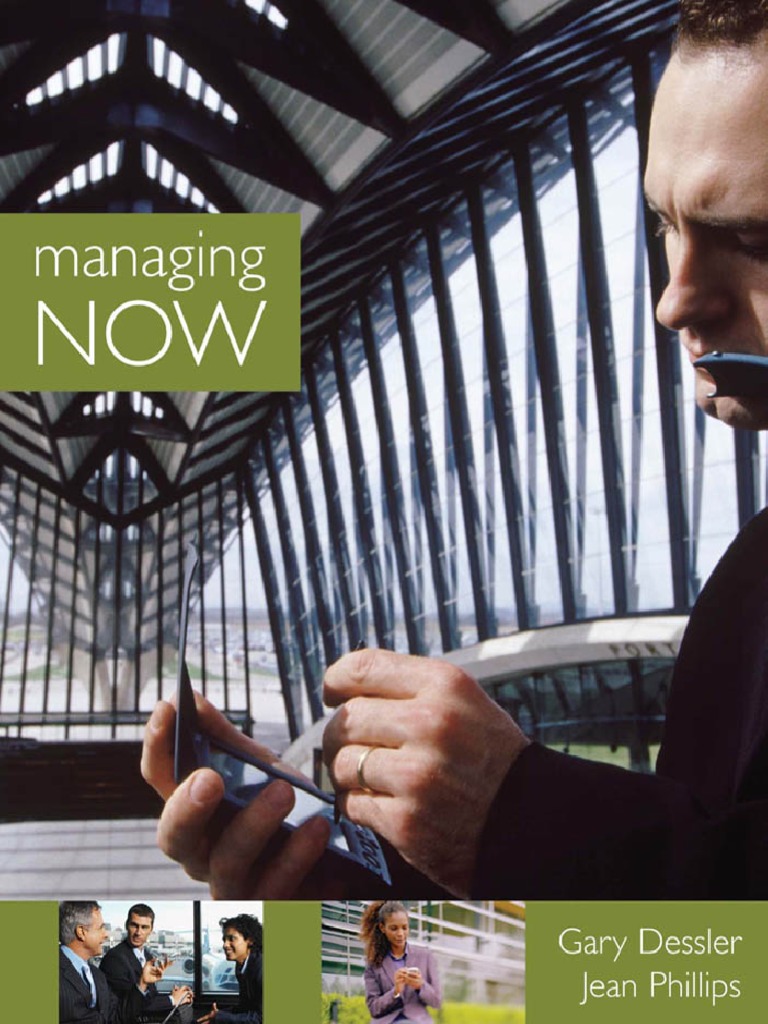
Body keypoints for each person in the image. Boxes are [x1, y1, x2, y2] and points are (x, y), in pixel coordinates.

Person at [141, 0, 768, 898]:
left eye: (750, 240)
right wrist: (366, 902)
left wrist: (525, 821)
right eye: (665, 224)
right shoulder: (749, 578)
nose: (675, 300)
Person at [59, 901, 168, 1024]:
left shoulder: (97, 975)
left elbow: (116, 1016)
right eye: (101, 928)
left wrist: (142, 983)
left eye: (144, 927)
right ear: (81, 932)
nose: (106, 935)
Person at [100, 904, 193, 1023]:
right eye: (134, 925)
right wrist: (172, 999)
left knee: (186, 1011)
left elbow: (149, 997)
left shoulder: (147, 957)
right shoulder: (115, 959)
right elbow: (133, 1004)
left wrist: (177, 996)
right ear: (126, 925)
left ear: (151, 930)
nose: (138, 932)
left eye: (144, 927)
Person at [360, 901, 440, 1024]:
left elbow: (437, 1001)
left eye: (404, 928)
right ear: (382, 928)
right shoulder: (374, 963)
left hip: (418, 1021)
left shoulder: (425, 956)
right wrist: (395, 991)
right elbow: (374, 1009)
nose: (400, 934)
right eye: (394, 928)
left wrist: (420, 985)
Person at [196, 914, 262, 1024]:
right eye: (224, 940)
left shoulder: (262, 969)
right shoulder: (241, 966)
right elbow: (245, 1007)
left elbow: (263, 1018)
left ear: (250, 940)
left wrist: (220, 1017)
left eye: (232, 939)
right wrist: (218, 1014)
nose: (225, 945)